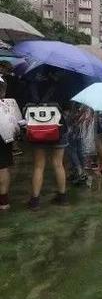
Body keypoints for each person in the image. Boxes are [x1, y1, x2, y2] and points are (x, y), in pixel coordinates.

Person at [25, 69, 69, 210]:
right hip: (58, 129)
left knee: (39, 166)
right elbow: (67, 108)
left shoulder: (31, 84)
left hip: (37, 130)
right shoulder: (62, 85)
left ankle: (35, 200)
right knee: (58, 163)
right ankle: (62, 197)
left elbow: (24, 107)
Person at [0, 77, 20, 211]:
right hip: (4, 137)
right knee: (3, 167)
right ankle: (3, 201)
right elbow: (18, 125)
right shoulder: (9, 104)